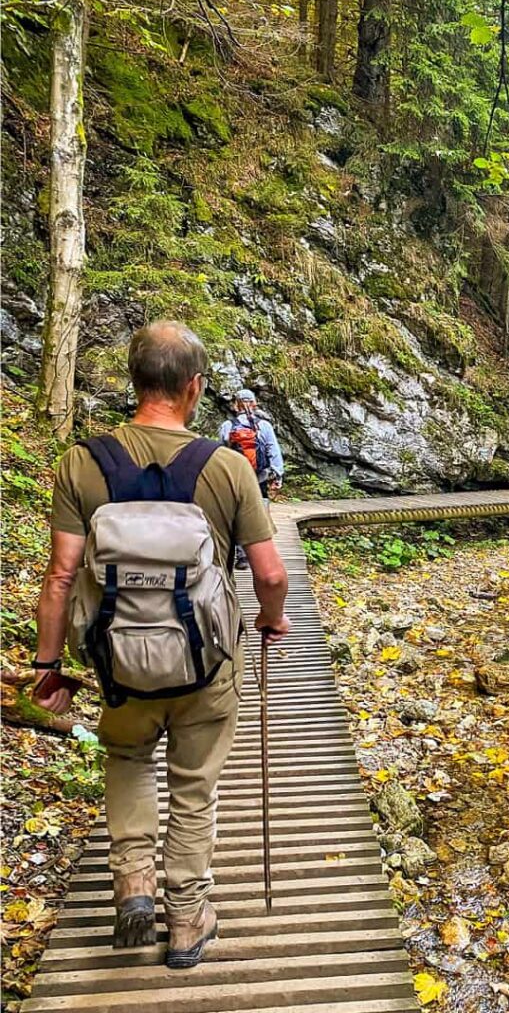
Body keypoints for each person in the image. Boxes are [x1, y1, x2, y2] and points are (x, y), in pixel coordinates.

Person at [31, 320, 291, 969]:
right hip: (206, 668)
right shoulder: (228, 468)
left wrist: (48, 666)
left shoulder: (83, 463)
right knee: (194, 791)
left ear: (137, 380)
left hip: (120, 667)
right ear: (195, 388)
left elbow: (61, 575)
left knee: (128, 763)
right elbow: (270, 574)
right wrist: (272, 619)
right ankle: (185, 921)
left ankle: (133, 887)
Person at [219, 387, 285, 568]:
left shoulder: (227, 427)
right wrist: (277, 476)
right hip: (260, 477)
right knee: (260, 513)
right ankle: (260, 556)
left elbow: (220, 454)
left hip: (235, 478)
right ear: (254, 404)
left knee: (236, 514)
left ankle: (240, 556)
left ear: (235, 405)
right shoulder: (264, 426)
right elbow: (274, 452)